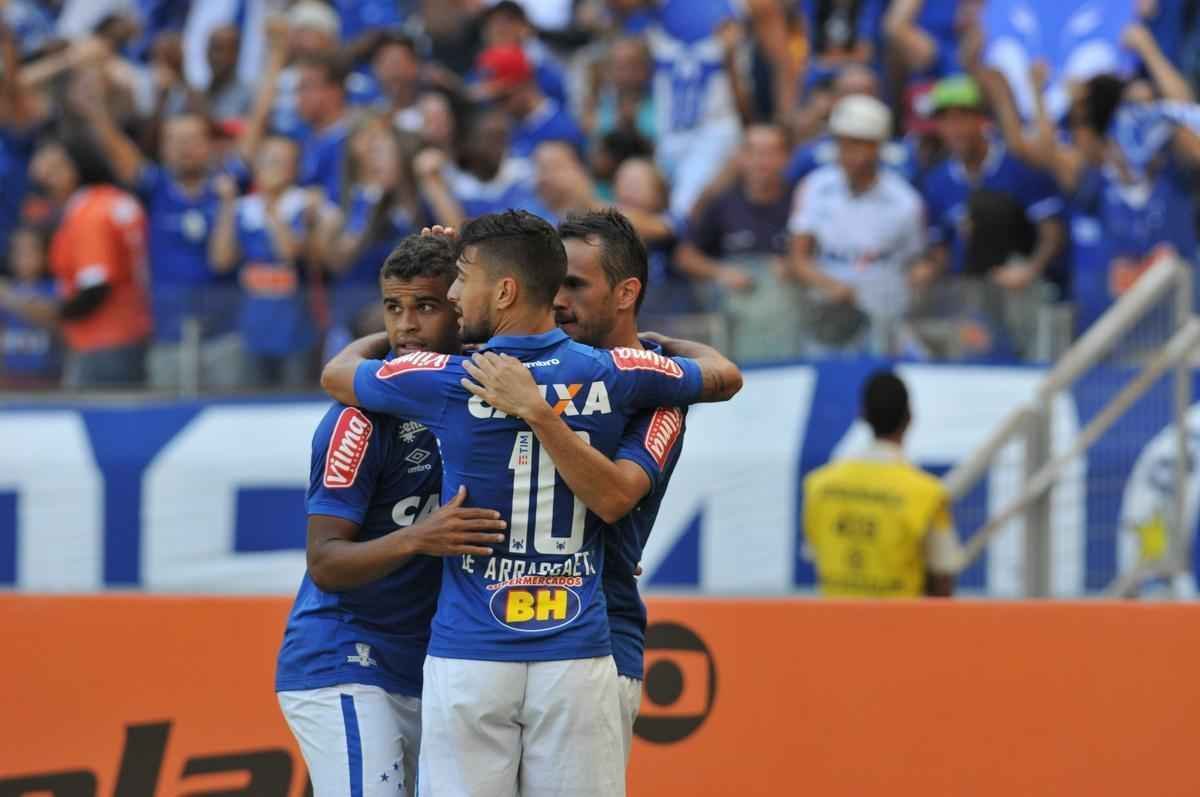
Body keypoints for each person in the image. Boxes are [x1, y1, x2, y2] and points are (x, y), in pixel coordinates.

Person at [320, 210, 742, 797]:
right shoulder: (620, 373)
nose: (451, 293)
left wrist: (397, 340)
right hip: (576, 646)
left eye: (460, 281)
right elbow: (723, 375)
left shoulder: (449, 378)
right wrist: (662, 347)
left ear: (506, 289)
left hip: (471, 650)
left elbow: (338, 375)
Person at [460, 208, 712, 764]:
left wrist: (539, 412)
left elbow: (617, 496)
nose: (556, 299)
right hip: (486, 636)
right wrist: (449, 270)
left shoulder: (653, 389)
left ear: (626, 293)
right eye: (553, 284)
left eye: (574, 285)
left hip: (596, 638)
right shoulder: (514, 363)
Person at [276, 234, 508, 797]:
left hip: (433, 664)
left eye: (425, 307)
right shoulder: (357, 418)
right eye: (393, 308)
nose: (406, 325)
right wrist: (418, 538)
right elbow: (325, 562)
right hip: (345, 656)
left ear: (462, 308)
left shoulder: (494, 398)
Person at [73, 75, 242, 391]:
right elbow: (121, 154)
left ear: (209, 146)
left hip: (225, 335)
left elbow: (222, 262)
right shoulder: (156, 189)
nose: (184, 149)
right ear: (162, 148)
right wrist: (96, 112)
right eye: (175, 141)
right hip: (168, 335)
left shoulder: (227, 188)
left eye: (191, 140)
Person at [918, 75, 1065, 359]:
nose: (954, 129)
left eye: (962, 117)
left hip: (1021, 293)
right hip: (968, 298)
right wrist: (929, 269)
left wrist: (1030, 269)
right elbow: (941, 246)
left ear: (982, 120)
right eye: (945, 120)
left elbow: (1052, 231)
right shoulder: (937, 181)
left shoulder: (1018, 167)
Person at [0, 134, 152, 388]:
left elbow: (93, 291)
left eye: (56, 167)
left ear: (77, 166)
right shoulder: (111, 200)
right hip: (129, 332)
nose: (46, 176)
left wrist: (34, 307)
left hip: (102, 341)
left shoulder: (89, 213)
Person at [803, 369, 963, 597]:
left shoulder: (818, 485)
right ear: (909, 418)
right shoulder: (928, 493)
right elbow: (942, 579)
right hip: (899, 628)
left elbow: (817, 554)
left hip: (834, 627)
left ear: (863, 415)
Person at [787, 94, 925, 354]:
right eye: (844, 143)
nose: (850, 153)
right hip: (828, 318)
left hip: (885, 318)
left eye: (860, 144)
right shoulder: (815, 188)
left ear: (877, 147)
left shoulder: (904, 201)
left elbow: (913, 262)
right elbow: (798, 259)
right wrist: (832, 287)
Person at [209, 135, 339, 389]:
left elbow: (288, 253)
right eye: (267, 160)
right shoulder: (243, 209)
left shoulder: (307, 204)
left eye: (280, 161)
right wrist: (227, 204)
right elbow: (220, 260)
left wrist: (271, 207)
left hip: (299, 331)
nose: (271, 167)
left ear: (295, 168)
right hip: (251, 331)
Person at [677, 123, 800, 360]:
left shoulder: (801, 200)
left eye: (770, 152)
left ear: (786, 158)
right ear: (741, 158)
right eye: (753, 152)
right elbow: (685, 256)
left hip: (789, 321)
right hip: (736, 317)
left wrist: (793, 265)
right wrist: (720, 272)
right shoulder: (721, 204)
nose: (761, 161)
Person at [475, 43, 586, 160]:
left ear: (525, 85)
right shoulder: (507, 129)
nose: (496, 106)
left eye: (502, 98)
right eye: (491, 100)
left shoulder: (561, 131)